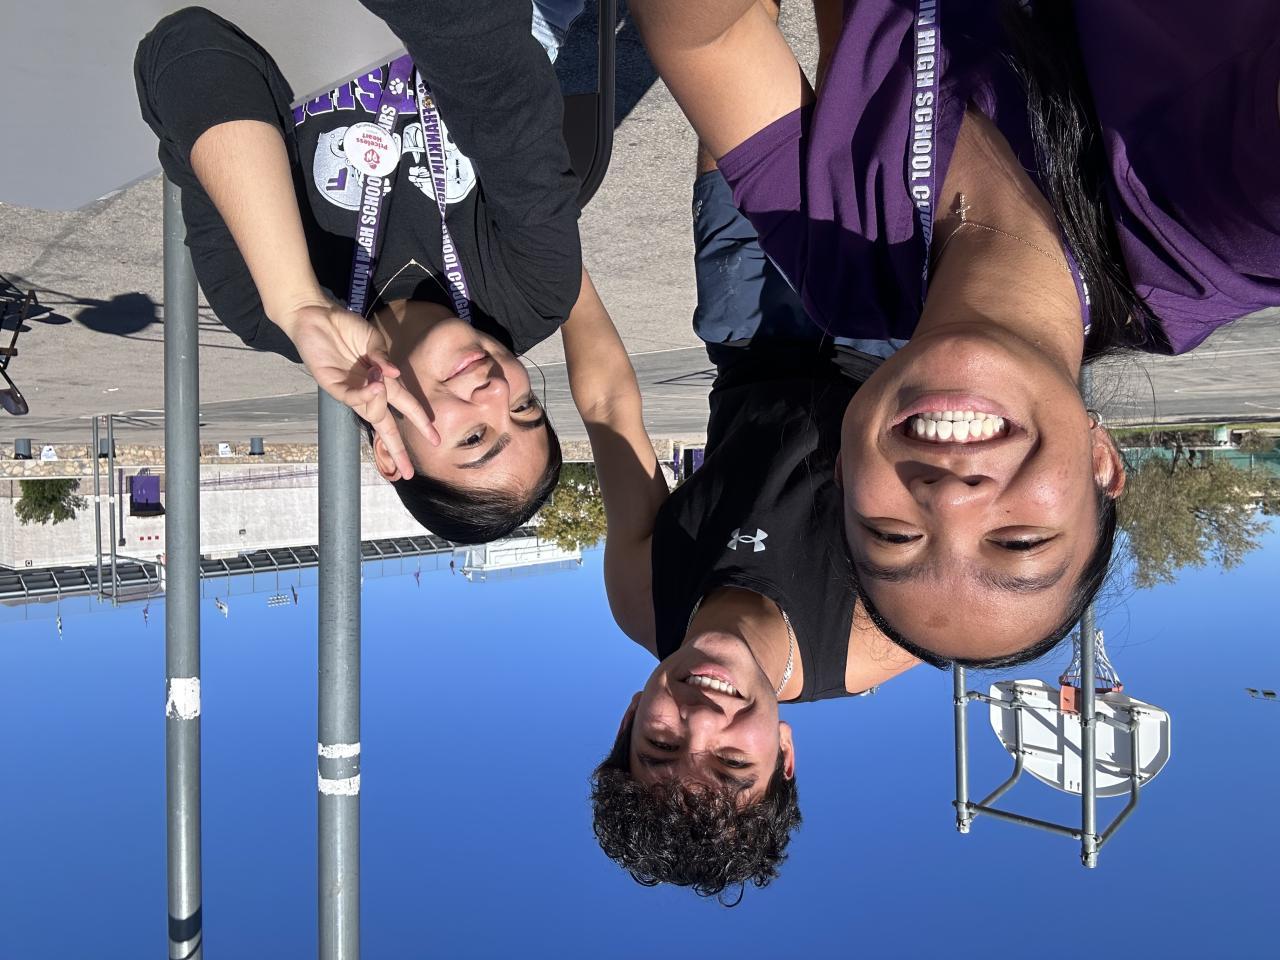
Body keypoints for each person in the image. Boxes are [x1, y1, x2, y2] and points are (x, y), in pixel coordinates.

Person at [629, 0, 1280, 667]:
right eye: (1020, 542)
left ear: (845, 469)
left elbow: (704, 41)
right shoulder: (1219, 233)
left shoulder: (844, 271)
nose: (948, 500)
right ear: (1102, 465)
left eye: (892, 535)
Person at [565, 129, 918, 898]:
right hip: (888, 335)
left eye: (660, 746)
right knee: (873, 89)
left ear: (631, 716)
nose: (700, 719)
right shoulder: (877, 638)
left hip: (746, 335)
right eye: (732, 760)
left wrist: (551, 246)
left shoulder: (642, 598)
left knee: (727, 85)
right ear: (784, 754)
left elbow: (609, 409)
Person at [134, 1, 585, 543]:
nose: (496, 390)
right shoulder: (536, 292)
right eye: (524, 406)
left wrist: (298, 300)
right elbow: (497, 77)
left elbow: (187, 49)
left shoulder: (262, 306)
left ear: (390, 454)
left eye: (474, 438)